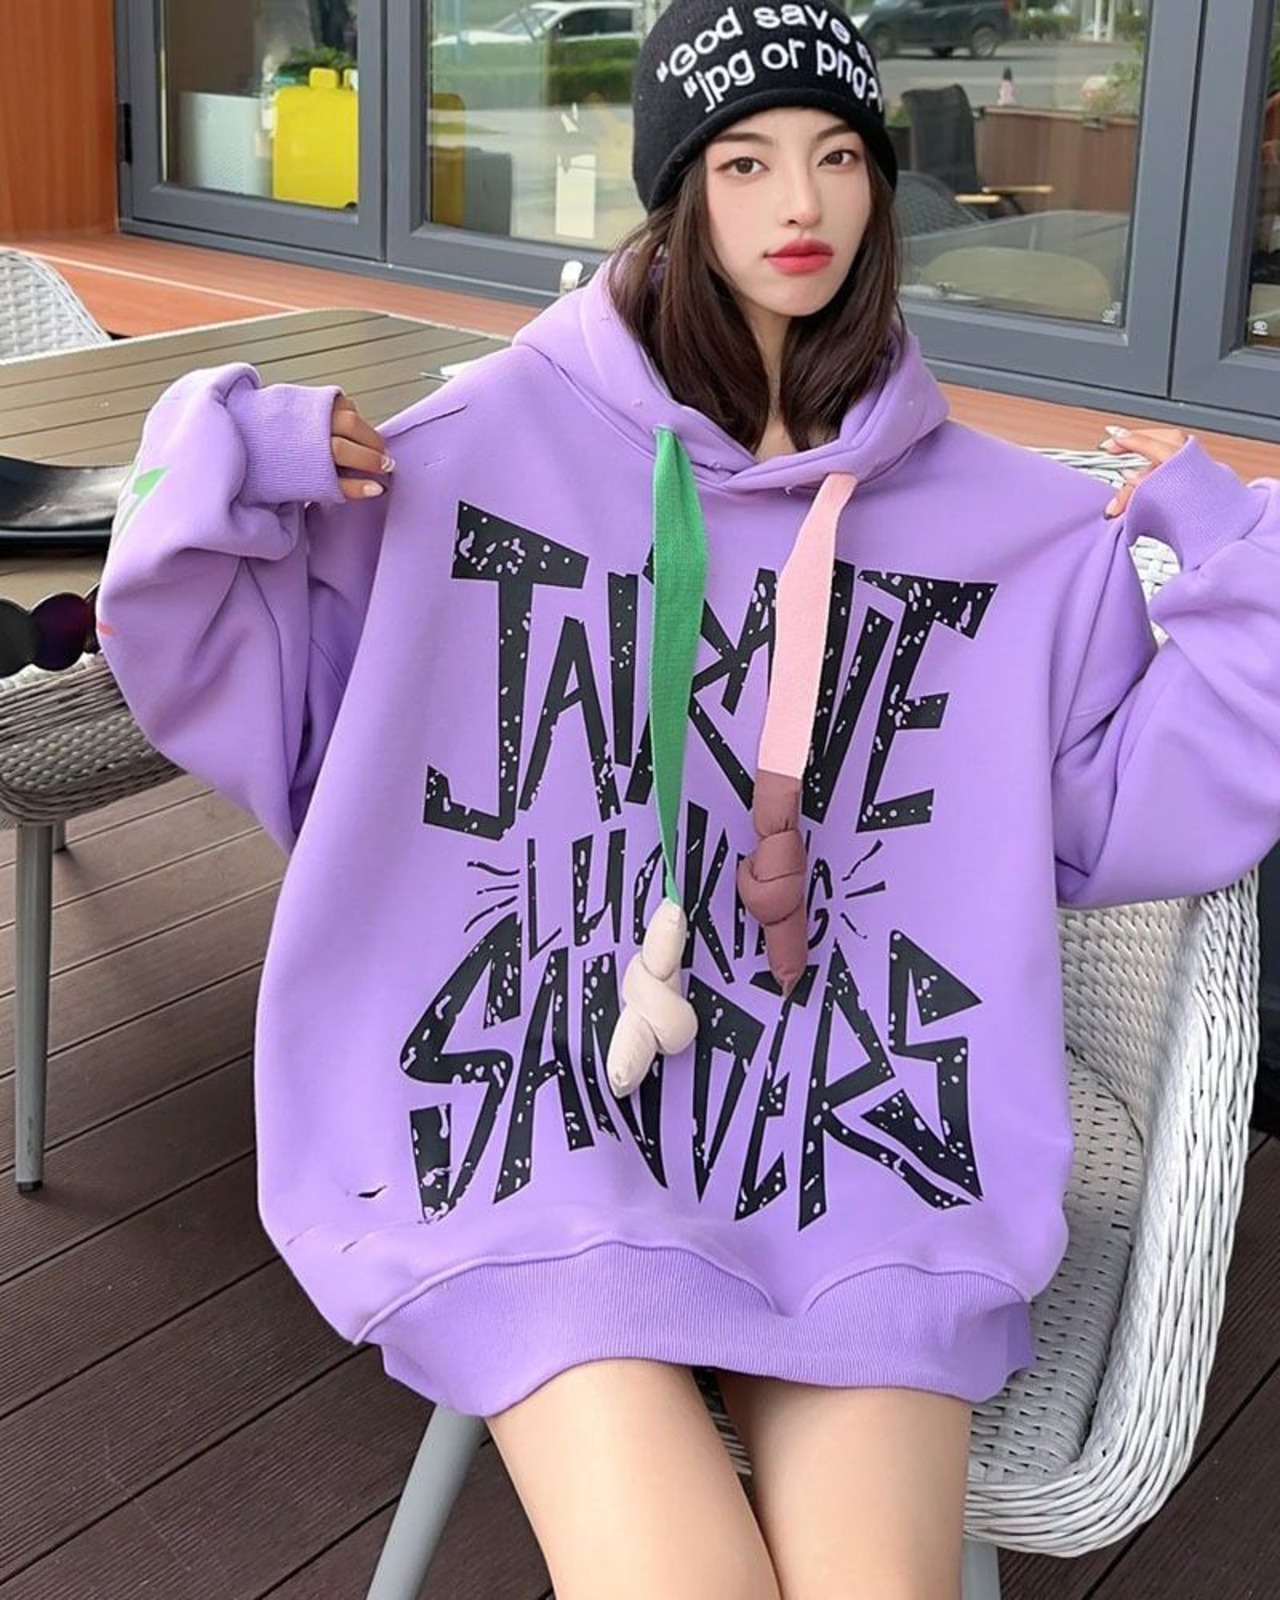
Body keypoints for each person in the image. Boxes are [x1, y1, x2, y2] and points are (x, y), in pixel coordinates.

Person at [96, 2, 1280, 1595]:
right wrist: (239, 449)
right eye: (744, 161)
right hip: (535, 1122)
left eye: (839, 156)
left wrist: (1225, 537)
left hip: (859, 1143)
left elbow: (1141, 810)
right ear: (678, 191)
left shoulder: (1007, 529)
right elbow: (222, 659)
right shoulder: (474, 453)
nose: (801, 204)